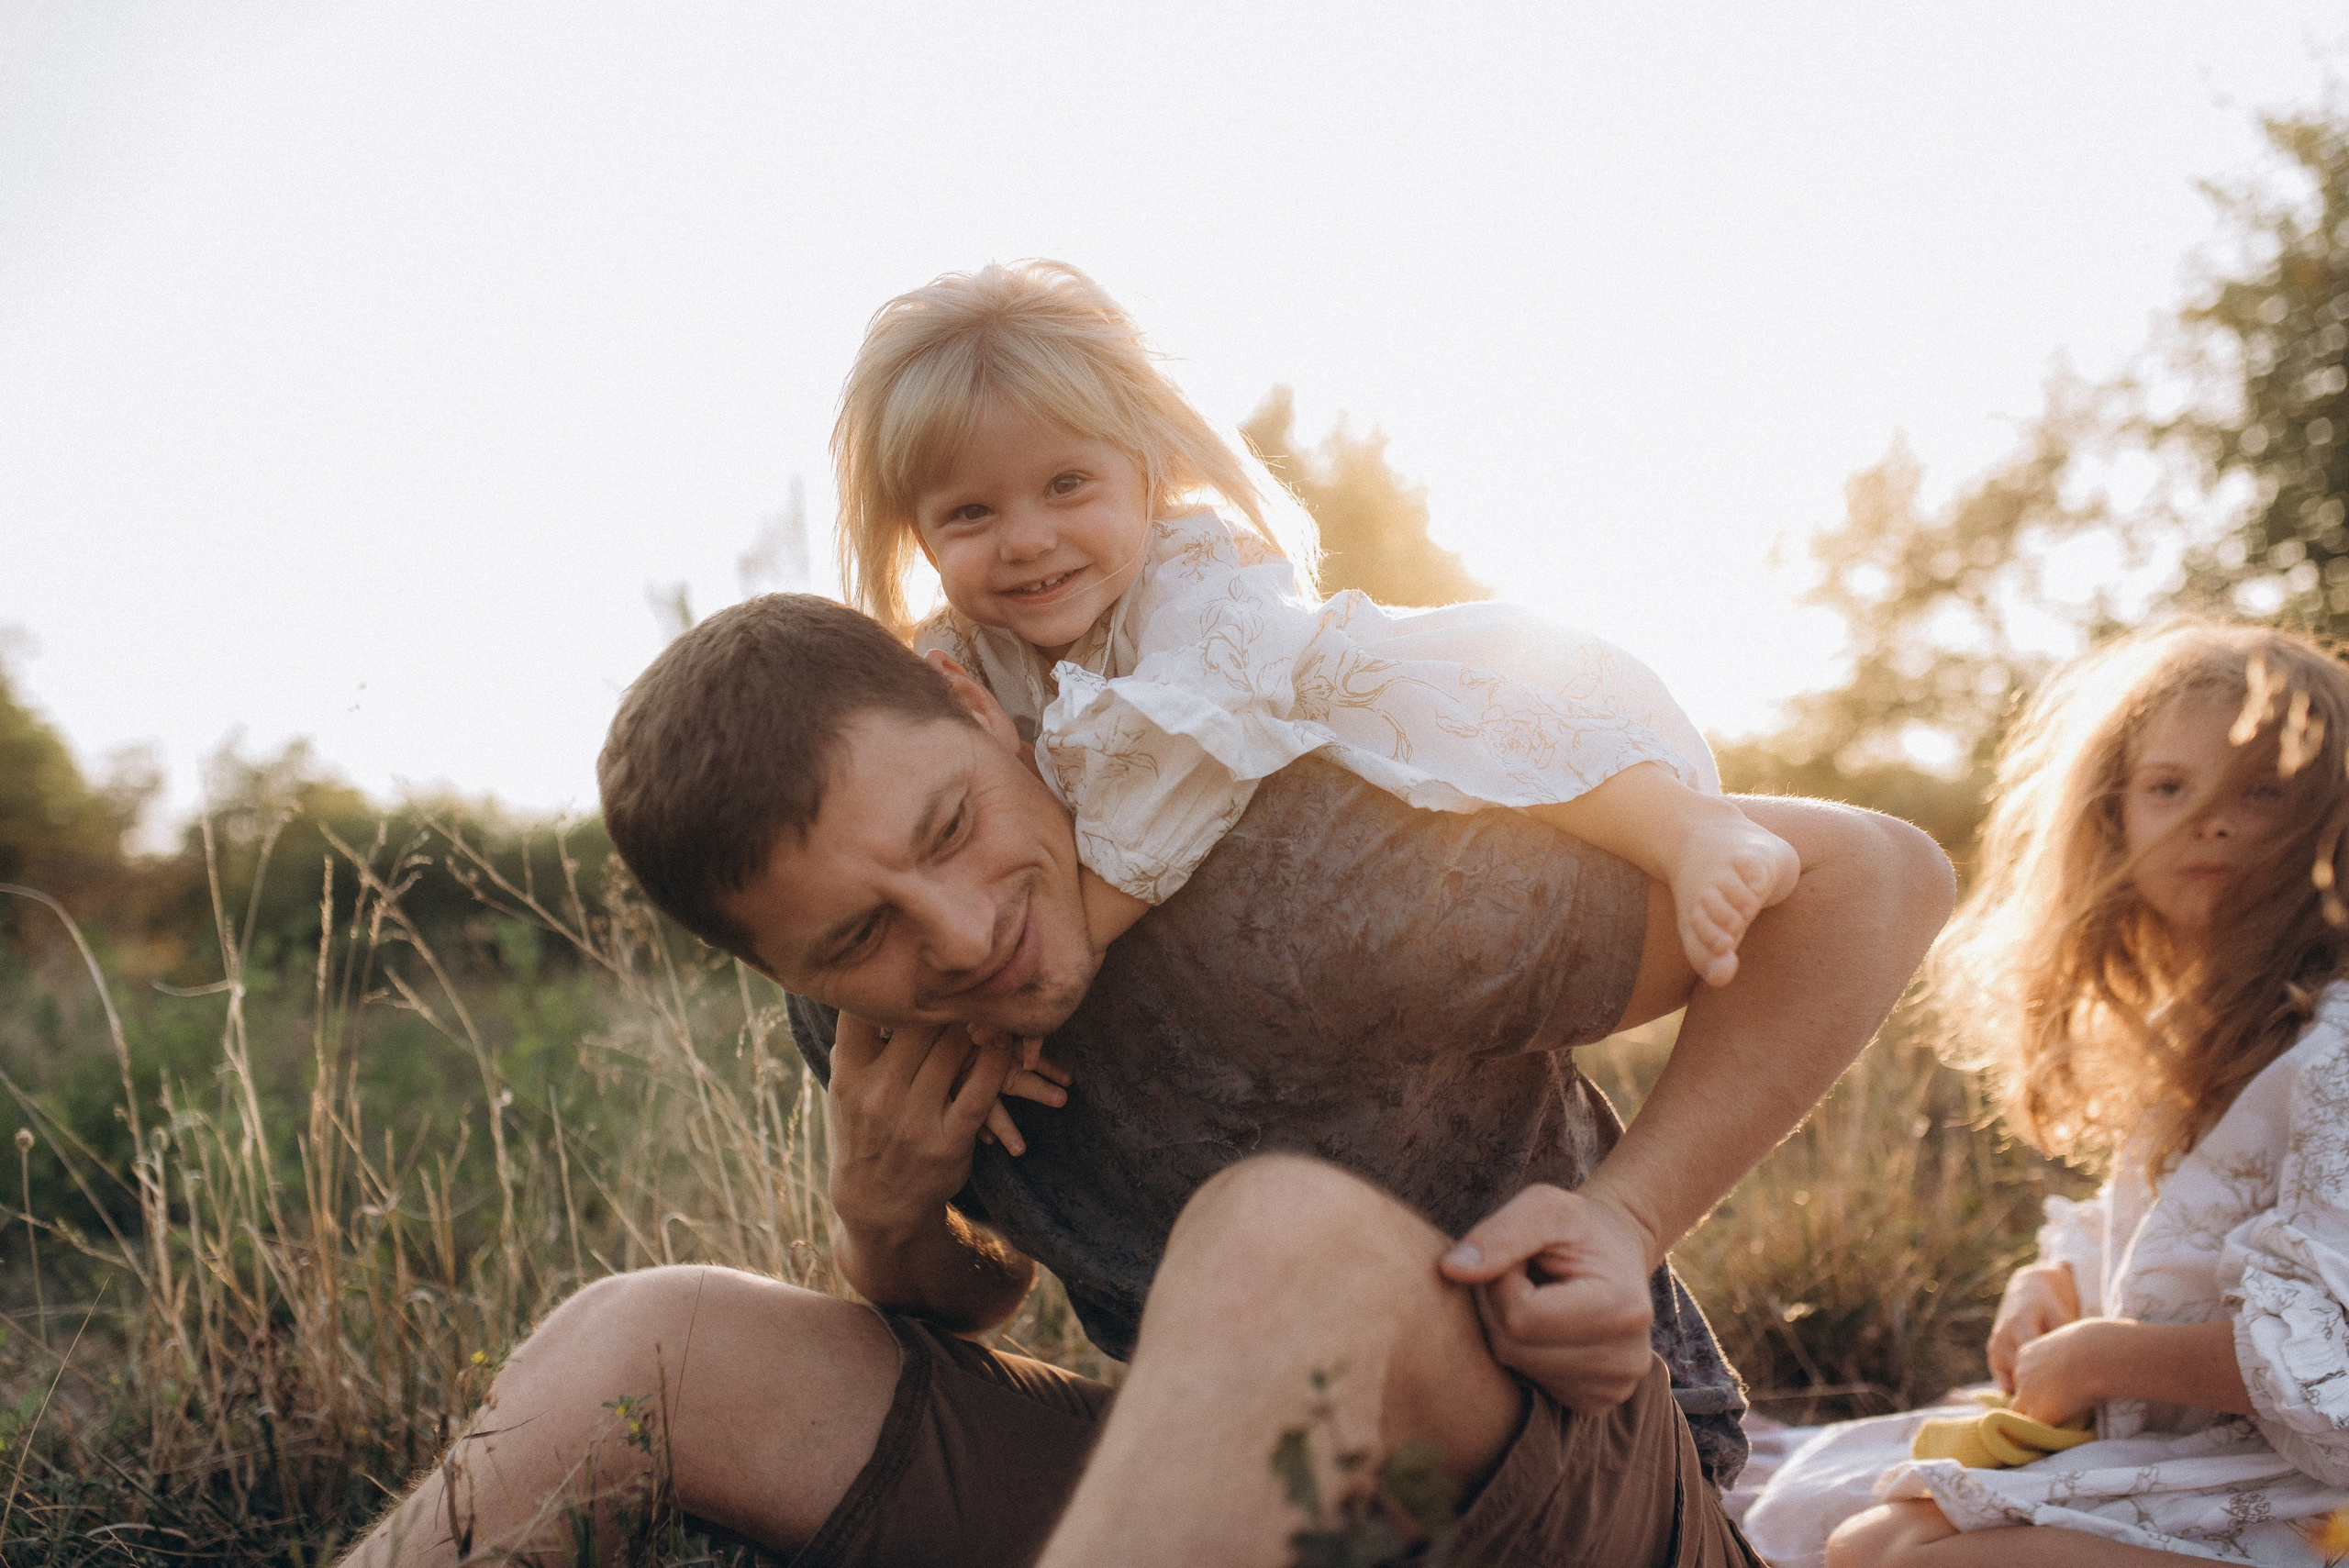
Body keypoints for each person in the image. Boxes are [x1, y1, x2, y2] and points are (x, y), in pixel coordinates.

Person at [343, 594, 1950, 1568]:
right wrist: (887, 1220)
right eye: (856, 934)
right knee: (653, 1331)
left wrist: (1626, 1215)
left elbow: (1873, 875)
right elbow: (972, 1300)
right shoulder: (863, 1025)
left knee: (1274, 1233)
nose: (963, 936)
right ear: (778, 965)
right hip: (1249, 1509)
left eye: (952, 827)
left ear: (979, 705)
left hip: (1551, 1491)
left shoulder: (1300, 863)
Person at [835, 259, 1798, 991]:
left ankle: (1687, 830)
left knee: (1507, 728)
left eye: (1066, 484)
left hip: (1363, 699)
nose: (1026, 539)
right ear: (916, 534)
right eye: (970, 513)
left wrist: (1056, 959)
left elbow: (1169, 764)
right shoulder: (956, 653)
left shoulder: (1204, 571)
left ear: (1147, 470)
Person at [1742, 623, 2349, 1568]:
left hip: (2315, 1491)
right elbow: (2159, 1234)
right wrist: (2054, 1285)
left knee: (1900, 1559)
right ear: (2113, 818)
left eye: (2261, 790)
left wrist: (2108, 1357)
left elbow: (2333, 1357)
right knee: (1860, 1531)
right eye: (2167, 787)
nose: (2210, 819)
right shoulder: (2211, 1036)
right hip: (2208, 1455)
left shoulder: (2332, 1055)